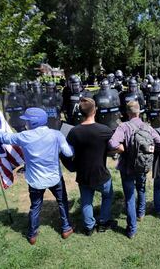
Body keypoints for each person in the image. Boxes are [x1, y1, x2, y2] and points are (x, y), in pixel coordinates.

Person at [0, 108, 75, 245]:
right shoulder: (56, 134)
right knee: (62, 202)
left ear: (33, 123)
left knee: (35, 207)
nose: (25, 123)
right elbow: (68, 153)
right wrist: (72, 146)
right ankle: (66, 229)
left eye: (27, 121)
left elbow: (4, 137)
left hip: (35, 180)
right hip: (54, 178)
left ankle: (32, 235)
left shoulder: (23, 136)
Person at [109, 101, 160, 238]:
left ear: (127, 113)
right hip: (142, 166)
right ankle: (141, 213)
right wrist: (150, 150)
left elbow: (112, 143)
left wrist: (122, 148)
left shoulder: (123, 126)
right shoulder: (148, 127)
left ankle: (132, 230)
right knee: (141, 189)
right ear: (139, 112)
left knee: (129, 198)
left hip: (127, 168)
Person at [66, 98, 117, 236]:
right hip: (101, 174)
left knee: (86, 201)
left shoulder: (73, 132)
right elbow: (116, 146)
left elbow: (65, 153)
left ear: (80, 112)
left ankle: (89, 227)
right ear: (95, 111)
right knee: (107, 196)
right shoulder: (104, 130)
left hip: (83, 175)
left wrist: (71, 166)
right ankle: (103, 222)